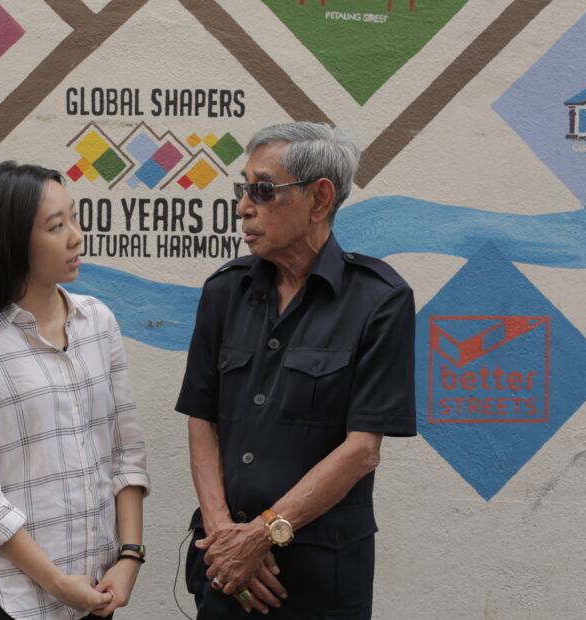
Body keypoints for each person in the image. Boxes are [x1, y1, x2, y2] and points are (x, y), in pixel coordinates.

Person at [175, 123, 416, 619]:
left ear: (319, 199)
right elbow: (202, 420)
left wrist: (262, 535)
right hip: (225, 569)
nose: (243, 207)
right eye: (243, 188)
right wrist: (224, 536)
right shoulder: (224, 291)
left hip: (317, 576)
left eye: (262, 190)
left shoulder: (379, 300)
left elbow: (362, 450)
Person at [0, 161, 149, 620]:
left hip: (97, 592)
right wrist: (55, 583)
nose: (76, 237)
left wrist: (130, 557)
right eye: (56, 226)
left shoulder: (97, 321)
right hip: (17, 601)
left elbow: (126, 453)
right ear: (10, 242)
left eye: (74, 218)